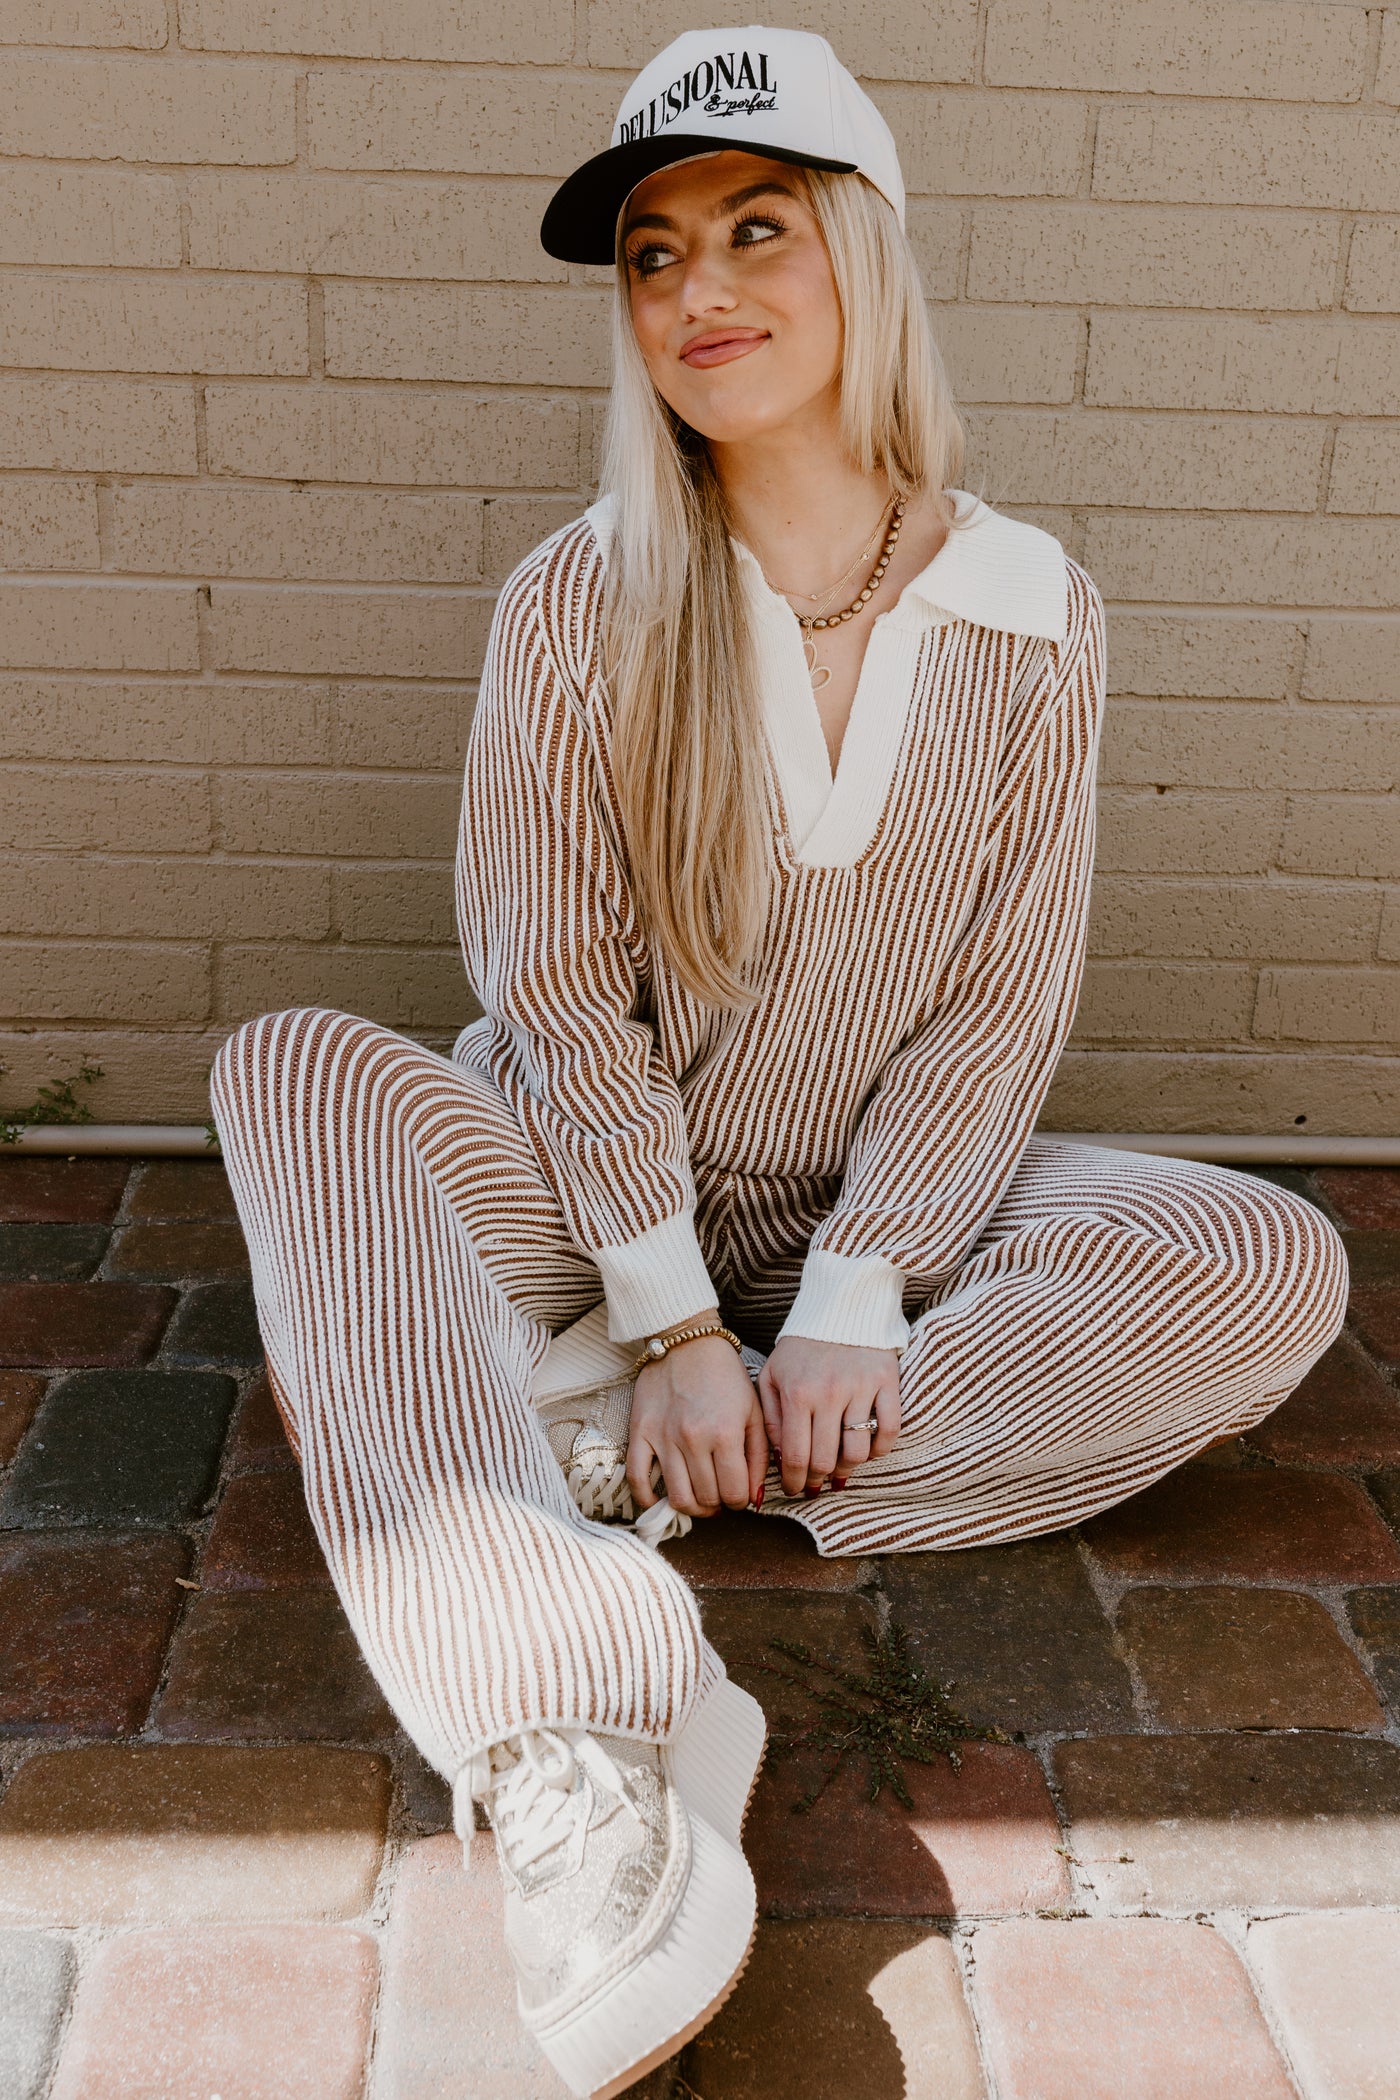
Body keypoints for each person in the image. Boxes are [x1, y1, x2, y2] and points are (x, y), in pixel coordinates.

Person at [211, 26, 1349, 2096]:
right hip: (577, 1194)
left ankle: (520, 1461)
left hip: (877, 1230)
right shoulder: (577, 601)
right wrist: (666, 1314)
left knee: (1268, 1265)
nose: (696, 290)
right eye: (651, 254)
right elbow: (548, 992)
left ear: (864, 254)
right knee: (294, 1073)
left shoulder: (1035, 616)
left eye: (755, 229)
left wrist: (843, 1298)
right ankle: (575, 1715)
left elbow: (1000, 1004)